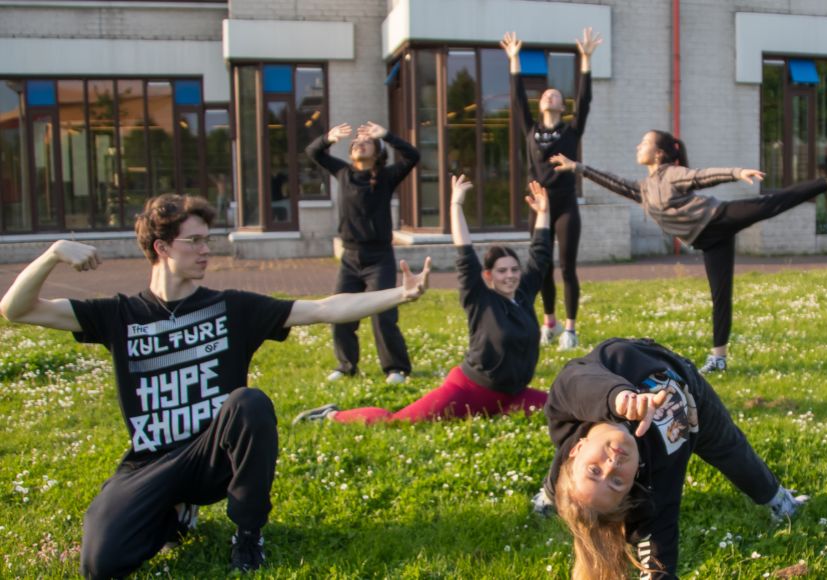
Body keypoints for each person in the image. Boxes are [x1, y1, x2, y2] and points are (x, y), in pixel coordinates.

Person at [0, 194, 432, 577]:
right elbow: (15, 310)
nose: (207, 251)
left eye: (208, 240)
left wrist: (399, 295)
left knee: (249, 403)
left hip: (214, 456)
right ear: (162, 247)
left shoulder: (231, 308)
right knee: (101, 563)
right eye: (195, 242)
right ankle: (175, 516)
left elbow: (323, 308)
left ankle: (247, 535)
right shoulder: (118, 314)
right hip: (150, 463)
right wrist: (55, 252)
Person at [550, 134, 827, 373]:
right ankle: (719, 357)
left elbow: (701, 176)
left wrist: (736, 173)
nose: (637, 146)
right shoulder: (644, 188)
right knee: (720, 296)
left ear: (659, 153)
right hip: (708, 239)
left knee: (770, 204)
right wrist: (577, 167)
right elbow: (614, 183)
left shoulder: (671, 174)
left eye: (643, 142)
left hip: (717, 218)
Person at [537, 338, 806, 579]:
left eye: (594, 470)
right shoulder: (652, 485)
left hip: (649, 360)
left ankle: (548, 496)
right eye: (617, 482)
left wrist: (619, 399)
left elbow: (575, 378)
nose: (611, 465)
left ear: (578, 449)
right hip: (694, 406)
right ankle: (778, 499)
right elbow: (658, 561)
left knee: (567, 482)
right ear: (632, 484)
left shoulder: (567, 421)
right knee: (731, 450)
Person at [294, 176, 552, 424]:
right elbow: (464, 250)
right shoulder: (480, 298)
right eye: (502, 271)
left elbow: (540, 255)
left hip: (513, 397)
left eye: (514, 270)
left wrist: (543, 212)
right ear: (488, 275)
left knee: (562, 408)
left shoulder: (523, 295)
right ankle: (332, 415)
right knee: (397, 422)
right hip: (470, 390)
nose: (510, 276)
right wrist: (456, 204)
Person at [502, 27, 601, 350]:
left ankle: (570, 329)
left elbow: (585, 100)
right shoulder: (530, 130)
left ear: (561, 105)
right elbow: (517, 99)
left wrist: (585, 60)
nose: (550, 95)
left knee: (567, 267)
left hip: (565, 205)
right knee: (541, 265)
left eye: (556, 94)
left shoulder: (571, 131)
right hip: (539, 206)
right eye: (546, 94)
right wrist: (514, 60)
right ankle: (550, 324)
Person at [307, 120, 421, 385]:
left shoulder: (386, 177)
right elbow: (313, 153)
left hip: (379, 257)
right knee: (340, 312)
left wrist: (387, 134)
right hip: (350, 257)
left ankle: (396, 368)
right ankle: (346, 366)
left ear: (377, 151)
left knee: (383, 314)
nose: (359, 144)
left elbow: (413, 156)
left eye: (366, 142)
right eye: (355, 143)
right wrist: (328, 138)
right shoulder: (343, 173)